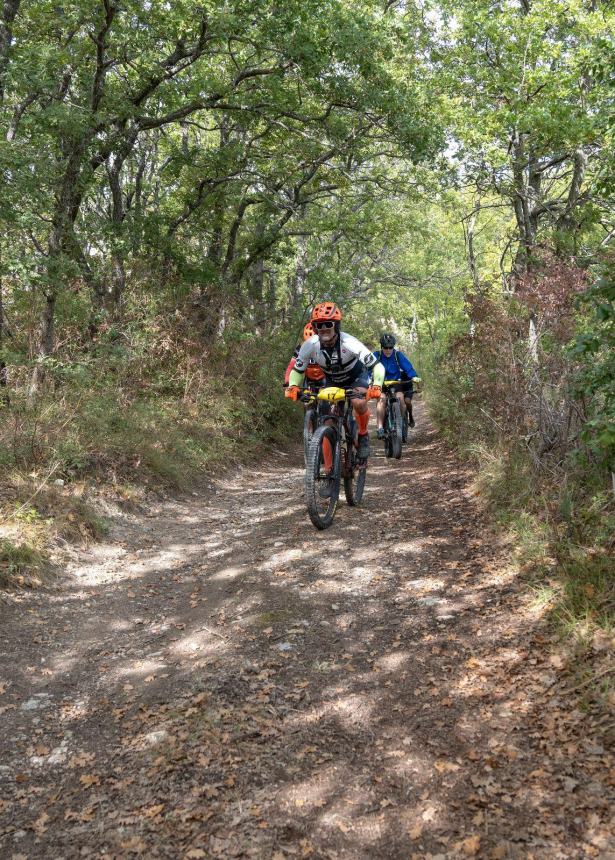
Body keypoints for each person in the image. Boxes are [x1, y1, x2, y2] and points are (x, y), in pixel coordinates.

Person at [285, 302, 384, 460]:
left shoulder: (349, 342)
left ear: (336, 325)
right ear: (315, 328)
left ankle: (363, 435)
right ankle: (330, 470)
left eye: (328, 324)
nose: (323, 328)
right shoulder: (309, 345)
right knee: (328, 421)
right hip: (332, 380)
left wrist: (377, 385)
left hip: (356, 377)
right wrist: (293, 386)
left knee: (358, 403)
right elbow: (297, 370)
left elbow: (377, 366)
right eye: (318, 324)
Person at [373, 333, 420, 439]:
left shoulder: (397, 355)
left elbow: (407, 366)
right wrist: (366, 379)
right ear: (382, 347)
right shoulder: (377, 355)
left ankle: (400, 421)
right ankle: (380, 427)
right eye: (386, 348)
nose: (388, 350)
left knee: (401, 399)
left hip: (396, 383)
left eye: (390, 348)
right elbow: (367, 367)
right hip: (381, 384)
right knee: (381, 400)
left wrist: (414, 376)